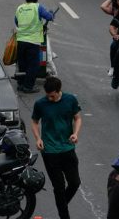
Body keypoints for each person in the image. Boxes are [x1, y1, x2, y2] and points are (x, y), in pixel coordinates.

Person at [30, 77, 82, 219]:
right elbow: (34, 122)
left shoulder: (70, 100)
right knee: (59, 188)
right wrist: (38, 138)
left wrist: (75, 134)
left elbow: (77, 117)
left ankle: (61, 205)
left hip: (68, 149)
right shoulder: (40, 104)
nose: (50, 98)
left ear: (59, 91)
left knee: (75, 182)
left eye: (52, 95)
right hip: (50, 151)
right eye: (48, 95)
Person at [15, 0, 55, 93]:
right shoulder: (38, 7)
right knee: (34, 65)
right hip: (33, 41)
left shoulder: (20, 8)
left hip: (20, 40)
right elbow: (49, 17)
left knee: (23, 64)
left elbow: (16, 21)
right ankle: (28, 86)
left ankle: (21, 84)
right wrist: (51, 13)